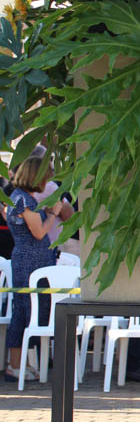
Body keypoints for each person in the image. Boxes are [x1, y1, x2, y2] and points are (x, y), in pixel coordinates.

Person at [4, 157, 67, 383]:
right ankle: (15, 365)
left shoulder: (20, 198)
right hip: (30, 262)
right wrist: (52, 213)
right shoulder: (23, 201)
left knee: (28, 312)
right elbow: (39, 232)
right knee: (25, 312)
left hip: (33, 260)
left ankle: (21, 364)